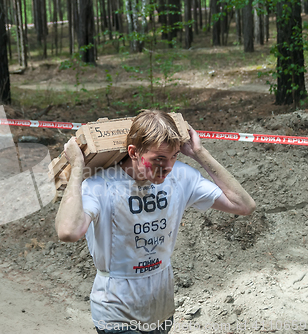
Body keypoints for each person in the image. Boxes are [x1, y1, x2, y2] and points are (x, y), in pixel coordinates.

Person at [54, 110, 256, 334]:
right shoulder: (100, 185)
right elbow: (68, 232)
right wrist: (77, 170)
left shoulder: (180, 177)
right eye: (158, 159)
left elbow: (244, 205)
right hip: (116, 313)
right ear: (133, 152)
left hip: (161, 311)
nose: (167, 167)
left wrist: (199, 152)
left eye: (174, 156)